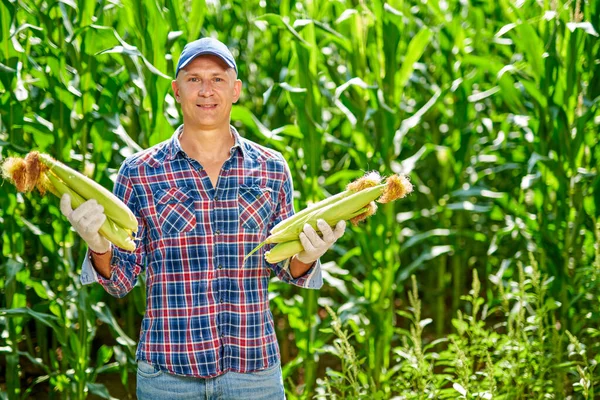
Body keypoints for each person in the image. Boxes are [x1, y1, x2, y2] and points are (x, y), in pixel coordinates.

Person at [59, 37, 346, 399]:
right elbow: (121, 280)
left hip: (252, 372)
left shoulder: (271, 169)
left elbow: (285, 266)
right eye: (194, 79)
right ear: (177, 91)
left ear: (236, 90)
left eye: (217, 79)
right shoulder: (140, 172)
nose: (206, 90)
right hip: (168, 375)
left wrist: (309, 253)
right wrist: (98, 246)